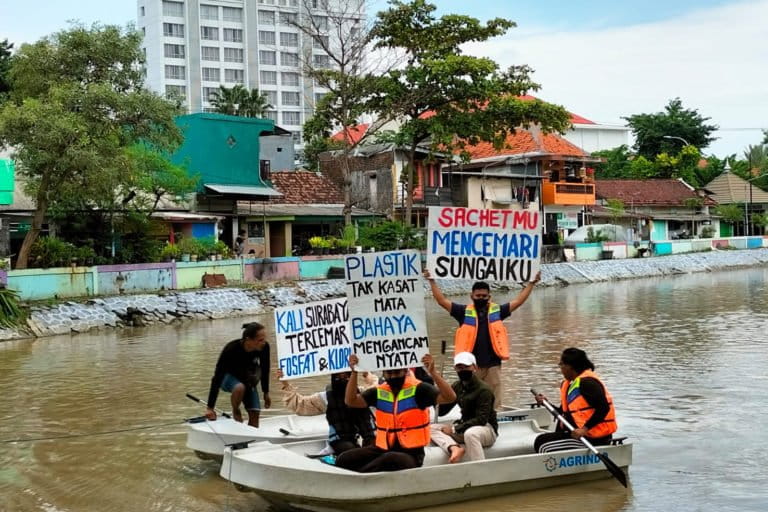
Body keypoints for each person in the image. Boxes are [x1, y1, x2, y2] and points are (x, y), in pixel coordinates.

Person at [424, 269, 541, 409]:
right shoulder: (462, 312)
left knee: (494, 400)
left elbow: (519, 301)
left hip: (493, 365)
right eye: (478, 295)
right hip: (471, 366)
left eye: (484, 296)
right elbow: (441, 301)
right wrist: (431, 280)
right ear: (471, 296)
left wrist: (532, 283)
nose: (481, 298)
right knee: (472, 398)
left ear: (489, 297)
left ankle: (496, 421)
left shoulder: (498, 311)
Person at [335, 353, 457, 472]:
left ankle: (361, 477)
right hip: (382, 448)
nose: (393, 377)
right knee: (343, 458)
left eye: (397, 372)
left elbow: (449, 397)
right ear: (383, 374)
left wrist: (433, 373)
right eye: (389, 373)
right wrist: (354, 372)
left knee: (390, 458)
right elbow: (351, 401)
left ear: (405, 371)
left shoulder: (420, 389)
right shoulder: (378, 392)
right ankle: (361, 474)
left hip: (411, 454)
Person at [533, 347, 617, 453]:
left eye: (561, 364)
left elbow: (604, 408)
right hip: (576, 434)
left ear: (570, 366)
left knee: (543, 445)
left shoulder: (587, 383)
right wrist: (546, 403)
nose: (561, 368)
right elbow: (563, 414)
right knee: (541, 439)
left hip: (592, 438)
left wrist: (584, 429)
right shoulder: (571, 384)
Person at [276, 368, 378, 454]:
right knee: (349, 449)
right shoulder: (325, 398)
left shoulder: (363, 394)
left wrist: (366, 373)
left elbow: (376, 386)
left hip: (367, 438)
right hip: (341, 441)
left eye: (347, 376)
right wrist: (285, 383)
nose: (343, 379)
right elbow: (300, 405)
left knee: (374, 444)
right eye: (339, 376)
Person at [430, 352, 498, 463]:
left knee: (471, 434)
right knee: (431, 428)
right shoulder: (457, 386)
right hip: (464, 426)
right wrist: (437, 395)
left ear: (474, 367)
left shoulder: (484, 390)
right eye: (459, 368)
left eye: (466, 367)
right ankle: (454, 448)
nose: (463, 370)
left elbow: (481, 419)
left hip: (486, 428)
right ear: (455, 369)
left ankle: (479, 468)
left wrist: (454, 429)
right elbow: (442, 411)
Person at [205, 322, 271, 427]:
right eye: (260, 340)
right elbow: (217, 377)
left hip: (247, 379)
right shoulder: (231, 349)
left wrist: (266, 392)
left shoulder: (264, 347)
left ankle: (250, 439)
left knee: (255, 414)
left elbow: (265, 369)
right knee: (239, 387)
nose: (264, 342)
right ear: (248, 340)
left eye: (264, 339)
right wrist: (210, 408)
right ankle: (236, 410)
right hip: (227, 379)